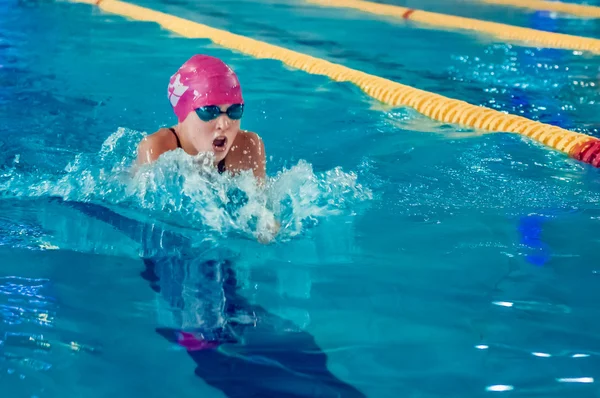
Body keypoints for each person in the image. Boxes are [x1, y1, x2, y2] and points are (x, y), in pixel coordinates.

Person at [136, 54, 266, 181]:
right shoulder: (158, 150)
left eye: (234, 110)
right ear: (183, 113)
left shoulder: (247, 149)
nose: (224, 124)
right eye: (209, 111)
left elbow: (262, 202)